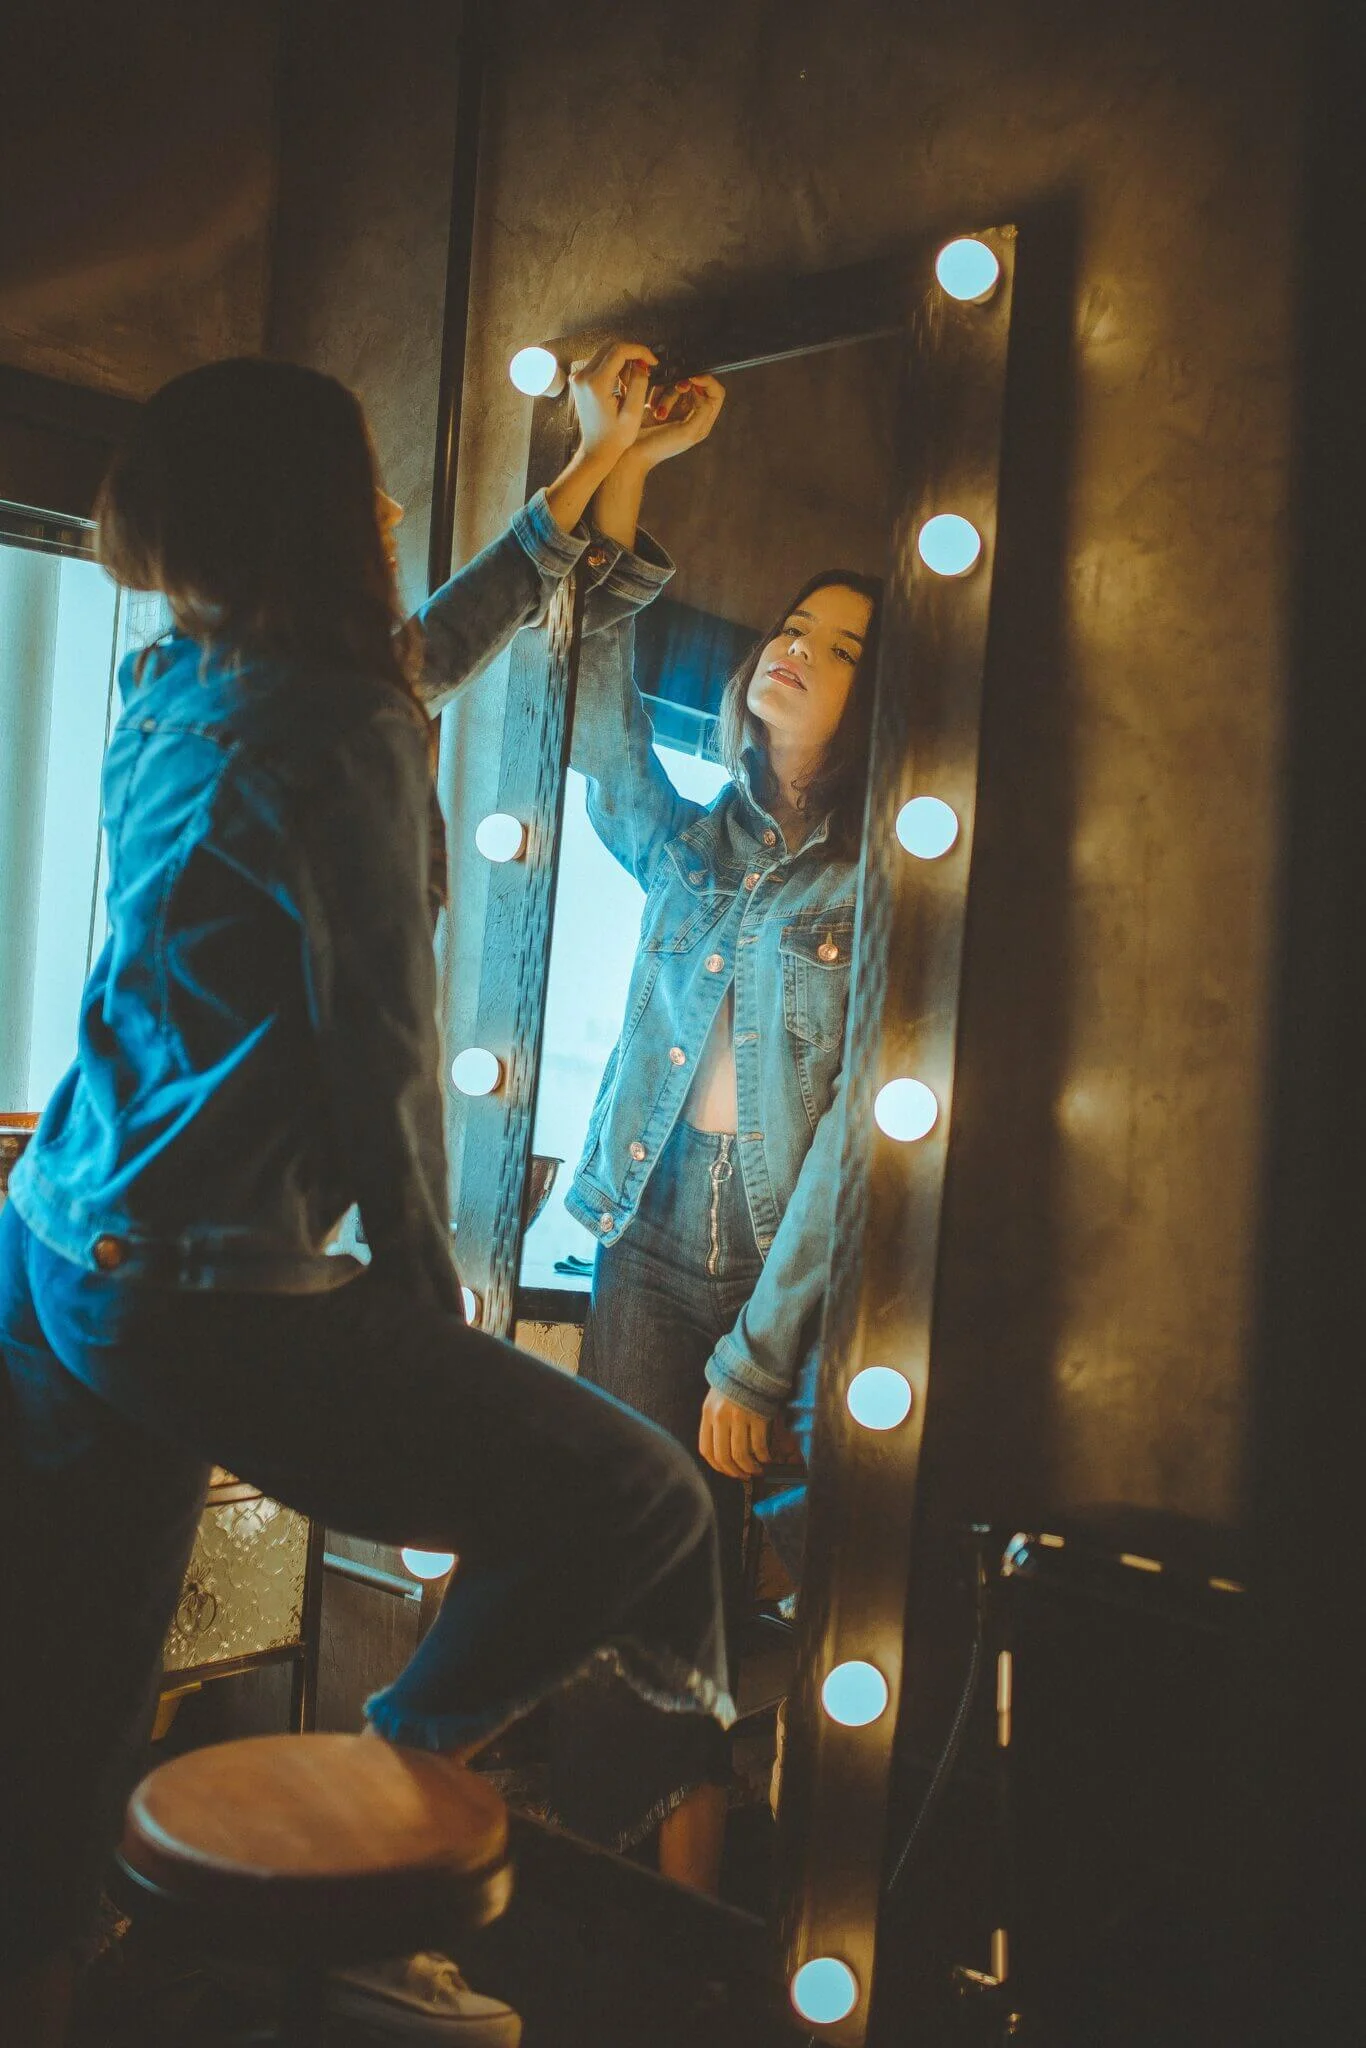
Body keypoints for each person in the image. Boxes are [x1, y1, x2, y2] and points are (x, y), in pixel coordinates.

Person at [0, 347, 733, 2048]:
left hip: (48, 1250)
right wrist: (422, 1281)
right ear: (318, 517)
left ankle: (35, 1983)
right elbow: (385, 1047)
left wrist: (594, 468)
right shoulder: (336, 722)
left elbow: (409, 659)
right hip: (195, 1281)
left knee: (68, 1685)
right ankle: (397, 1765)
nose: (399, 506)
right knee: (643, 1505)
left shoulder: (181, 674)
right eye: (376, 490)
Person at [544, 368, 882, 1891]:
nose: (794, 652)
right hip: (644, 1234)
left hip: (788, 1283)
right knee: (639, 1579)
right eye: (790, 631)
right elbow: (591, 705)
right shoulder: (695, 843)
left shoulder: (879, 878)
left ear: (886, 695)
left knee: (811, 1598)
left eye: (839, 646)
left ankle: (755, 1879)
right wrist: (622, 478)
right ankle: (660, 1892)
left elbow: (853, 1140)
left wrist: (760, 1350)